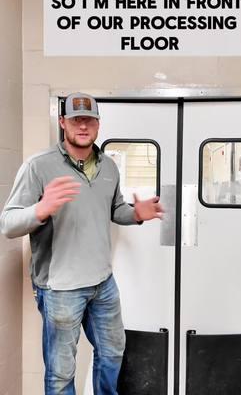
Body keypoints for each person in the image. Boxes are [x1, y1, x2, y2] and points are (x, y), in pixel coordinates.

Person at [0, 92, 164, 395]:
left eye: (90, 120)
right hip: (60, 288)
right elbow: (8, 224)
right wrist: (39, 209)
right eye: (76, 119)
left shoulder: (109, 167)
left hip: (102, 281)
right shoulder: (39, 166)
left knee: (113, 351)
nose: (83, 126)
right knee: (62, 374)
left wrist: (136, 214)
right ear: (63, 122)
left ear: (99, 125)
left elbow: (115, 209)